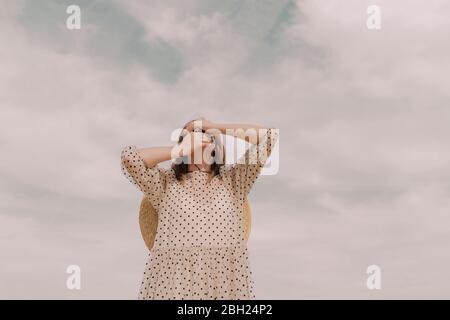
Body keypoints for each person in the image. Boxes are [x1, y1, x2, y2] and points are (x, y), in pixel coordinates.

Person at [120, 118, 278, 300]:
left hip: (225, 284)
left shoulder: (235, 181)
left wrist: (214, 127)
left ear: (216, 147)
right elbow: (129, 158)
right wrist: (177, 150)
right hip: (174, 284)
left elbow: (269, 136)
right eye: (191, 136)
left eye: (204, 134)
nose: (199, 136)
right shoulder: (165, 184)